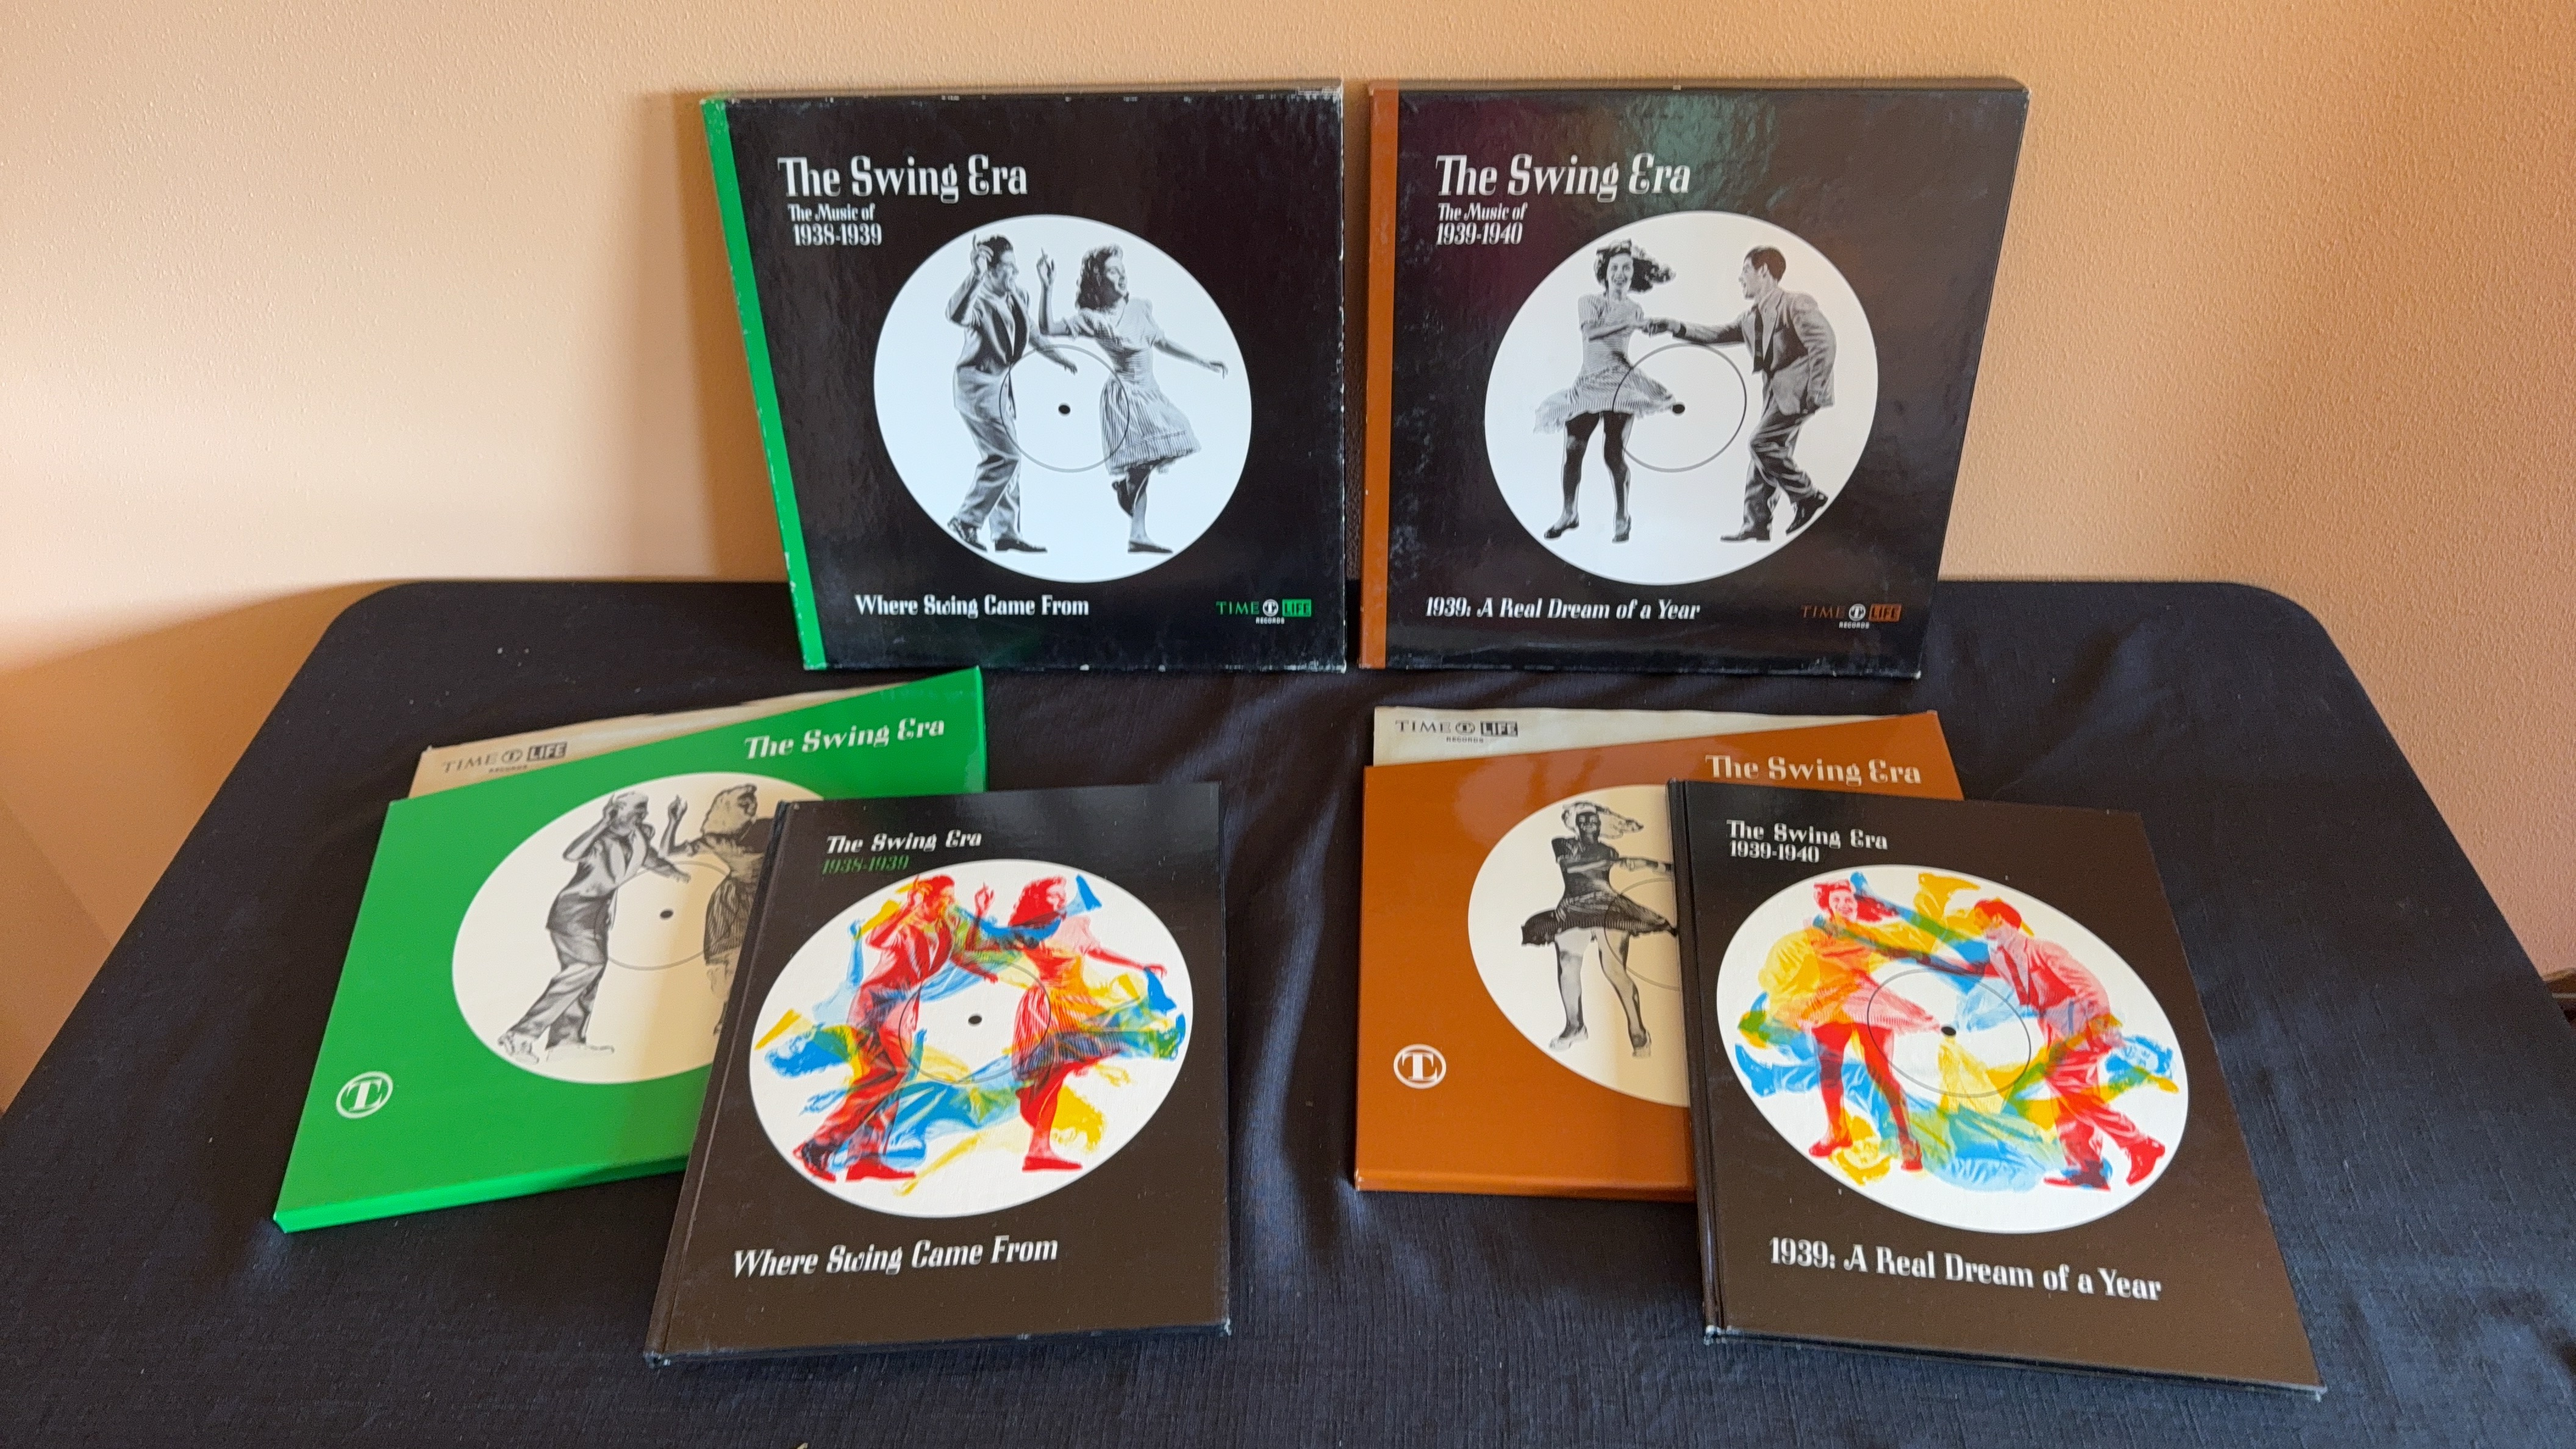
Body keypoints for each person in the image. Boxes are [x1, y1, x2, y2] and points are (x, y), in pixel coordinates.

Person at [1034, 245, 1228, 554]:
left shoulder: (1139, 308)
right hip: (1124, 399)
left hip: (1149, 393)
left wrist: (1202, 361)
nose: (1122, 277)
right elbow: (1048, 328)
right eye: (1114, 272)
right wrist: (1047, 286)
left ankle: (1127, 496)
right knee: (1140, 465)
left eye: (1123, 271)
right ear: (1099, 281)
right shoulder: (1093, 319)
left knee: (1156, 454)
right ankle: (1138, 533)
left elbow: (1161, 342)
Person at [1645, 246, 1837, 542]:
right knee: (1765, 455)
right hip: (1775, 394)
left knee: (1760, 443)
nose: (1740, 278)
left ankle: (1808, 495)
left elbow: (1824, 342)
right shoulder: (1749, 318)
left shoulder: (1795, 304)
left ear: (1764, 271)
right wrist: (1675, 326)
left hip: (1801, 391)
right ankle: (1757, 524)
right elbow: (1718, 334)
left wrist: (1817, 391)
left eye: (1745, 270)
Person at [995, 876, 1183, 1170]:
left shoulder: (1071, 925)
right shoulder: (1028, 931)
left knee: (1057, 1074)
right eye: (1054, 895)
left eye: (1063, 895)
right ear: (1038, 899)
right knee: (1058, 1070)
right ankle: (1038, 1149)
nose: (1061, 900)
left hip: (1075, 1002)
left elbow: (1096, 951)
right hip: (1049, 1007)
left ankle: (1038, 1149)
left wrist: (1139, 965)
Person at [1758, 877, 1939, 1170]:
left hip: (1866, 1001)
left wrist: (1921, 957)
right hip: (1829, 1004)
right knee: (1829, 1070)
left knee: (1881, 1072)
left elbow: (1895, 950)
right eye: (1838, 901)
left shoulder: (1866, 933)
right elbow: (1800, 952)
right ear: (1828, 906)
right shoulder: (1814, 931)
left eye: (1849, 901)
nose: (1844, 905)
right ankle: (1837, 1132)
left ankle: (1907, 1142)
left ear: (1856, 906)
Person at [497, 792, 686, 1063]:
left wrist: (682, 876)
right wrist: (602, 823)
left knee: (588, 977)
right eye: (637, 809)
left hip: (599, 917)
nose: (643, 815)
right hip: (574, 913)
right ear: (617, 810)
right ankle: (520, 1034)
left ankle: (566, 1042)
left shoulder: (638, 838)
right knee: (588, 967)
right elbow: (572, 854)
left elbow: (653, 860)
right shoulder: (600, 839)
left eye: (644, 810)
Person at [1534, 242, 1677, 544]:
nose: (1620, 274)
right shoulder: (1589, 301)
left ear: (1634, 274)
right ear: (1605, 272)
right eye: (1615, 268)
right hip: (1588, 384)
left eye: (1627, 268)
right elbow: (1590, 332)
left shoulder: (1635, 309)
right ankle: (1569, 513)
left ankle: (1622, 517)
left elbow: (1628, 334)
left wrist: (1648, 327)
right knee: (1573, 449)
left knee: (1613, 455)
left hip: (1620, 383)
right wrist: (1631, 323)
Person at [943, 235, 1078, 554]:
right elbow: (955, 315)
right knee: (1006, 458)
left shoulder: (1017, 295)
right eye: (1008, 267)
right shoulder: (978, 302)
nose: (1016, 272)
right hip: (978, 391)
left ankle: (1005, 533)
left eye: (1016, 266)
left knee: (1010, 461)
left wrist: (1061, 358)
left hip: (1001, 392)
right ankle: (965, 521)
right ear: (990, 270)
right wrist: (974, 275)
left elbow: (1032, 333)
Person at [1519, 802, 1673, 1056]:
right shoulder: (1562, 844)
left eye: (1594, 821)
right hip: (1574, 908)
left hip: (1608, 906)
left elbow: (1614, 865)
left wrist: (1656, 866)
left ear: (1601, 826)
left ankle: (1638, 1033)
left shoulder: (1608, 850)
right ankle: (1575, 1026)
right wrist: (1623, 862)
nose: (1589, 824)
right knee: (1568, 964)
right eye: (1583, 821)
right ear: (1575, 825)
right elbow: (1572, 867)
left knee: (1614, 970)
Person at [660, 782, 772, 1000]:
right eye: (743, 804)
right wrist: (674, 821)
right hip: (733, 904)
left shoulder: (766, 827)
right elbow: (667, 851)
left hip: (763, 897)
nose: (750, 808)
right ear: (728, 809)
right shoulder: (717, 840)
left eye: (751, 803)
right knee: (733, 966)